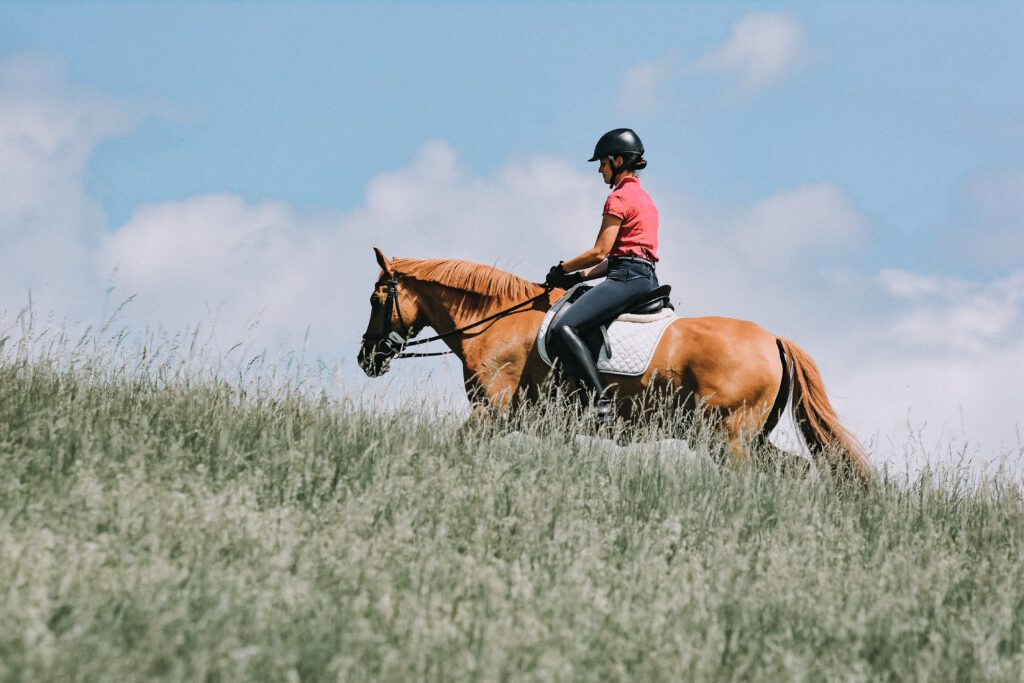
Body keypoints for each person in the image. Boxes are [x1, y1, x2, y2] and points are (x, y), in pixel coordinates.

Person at [544, 128, 660, 421]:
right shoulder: (645, 199)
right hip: (645, 277)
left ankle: (601, 401)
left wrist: (562, 268)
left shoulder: (618, 199)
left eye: (603, 163)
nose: (599, 170)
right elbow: (621, 255)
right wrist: (579, 278)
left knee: (563, 328)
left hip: (626, 279)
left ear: (618, 160)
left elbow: (600, 251)